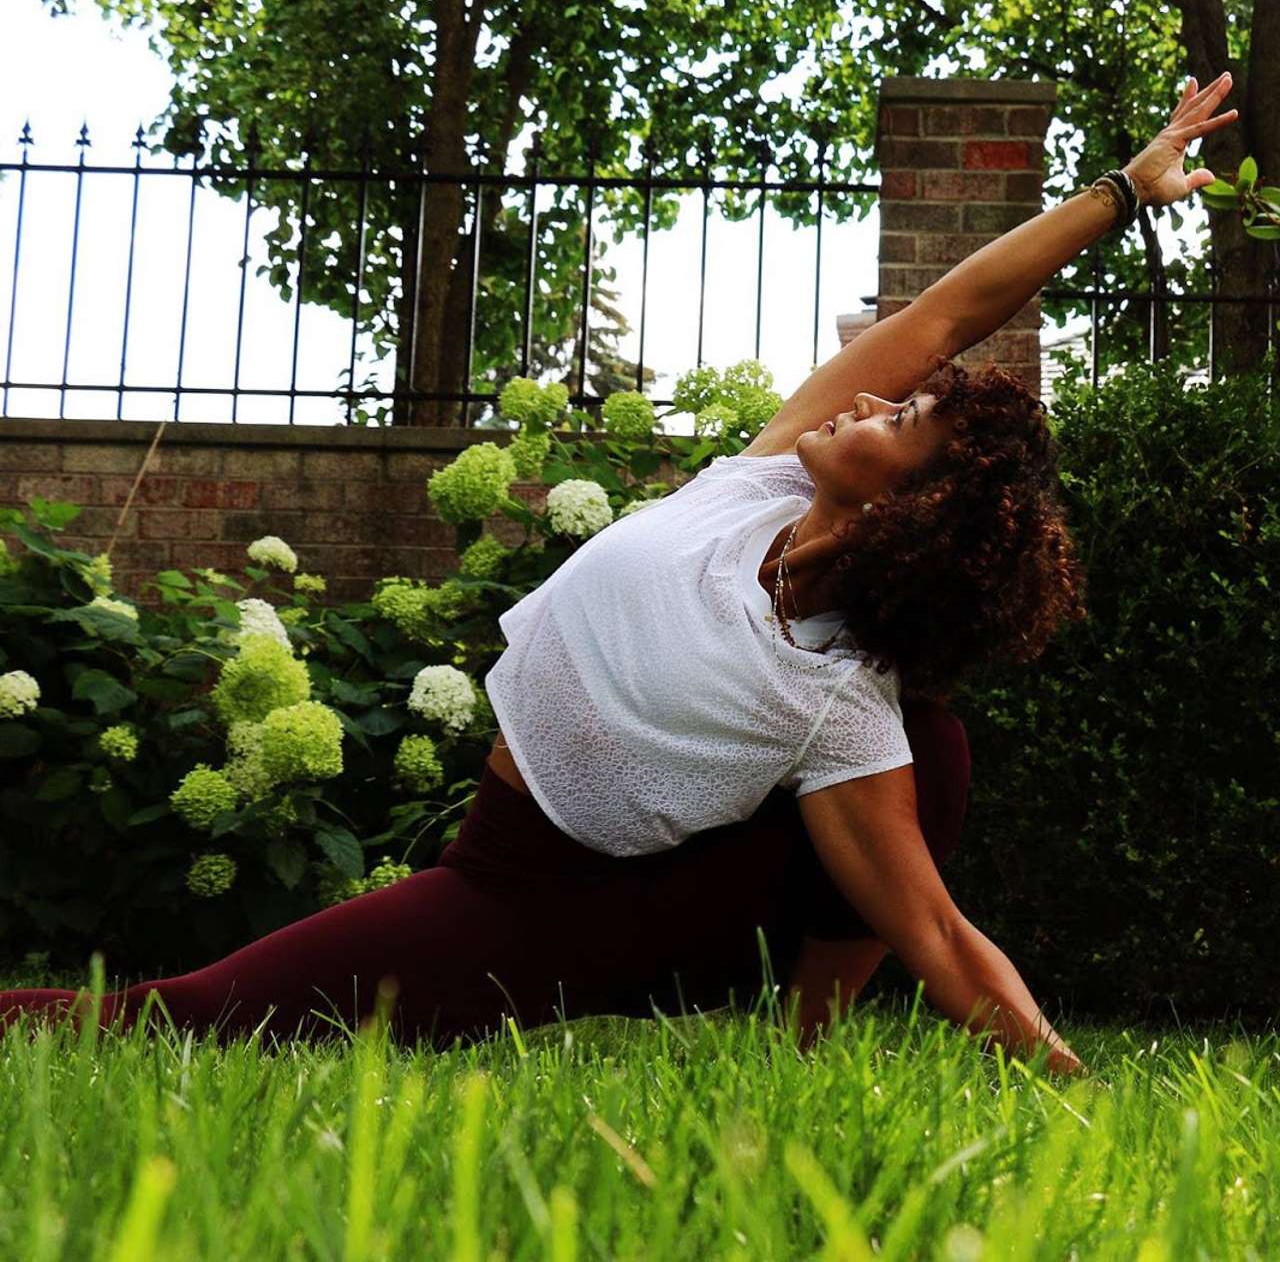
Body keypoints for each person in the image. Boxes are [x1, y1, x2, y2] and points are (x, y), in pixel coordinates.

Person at [1, 74, 1237, 1072]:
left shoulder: (830, 697)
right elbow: (952, 311)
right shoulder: (764, 479)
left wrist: (1064, 1083)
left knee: (187, 1016)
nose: (867, 387)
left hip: (558, 901)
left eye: (896, 417)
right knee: (193, 1010)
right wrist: (1121, 191)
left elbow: (937, 937)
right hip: (504, 863)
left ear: (909, 507)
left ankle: (799, 1058)